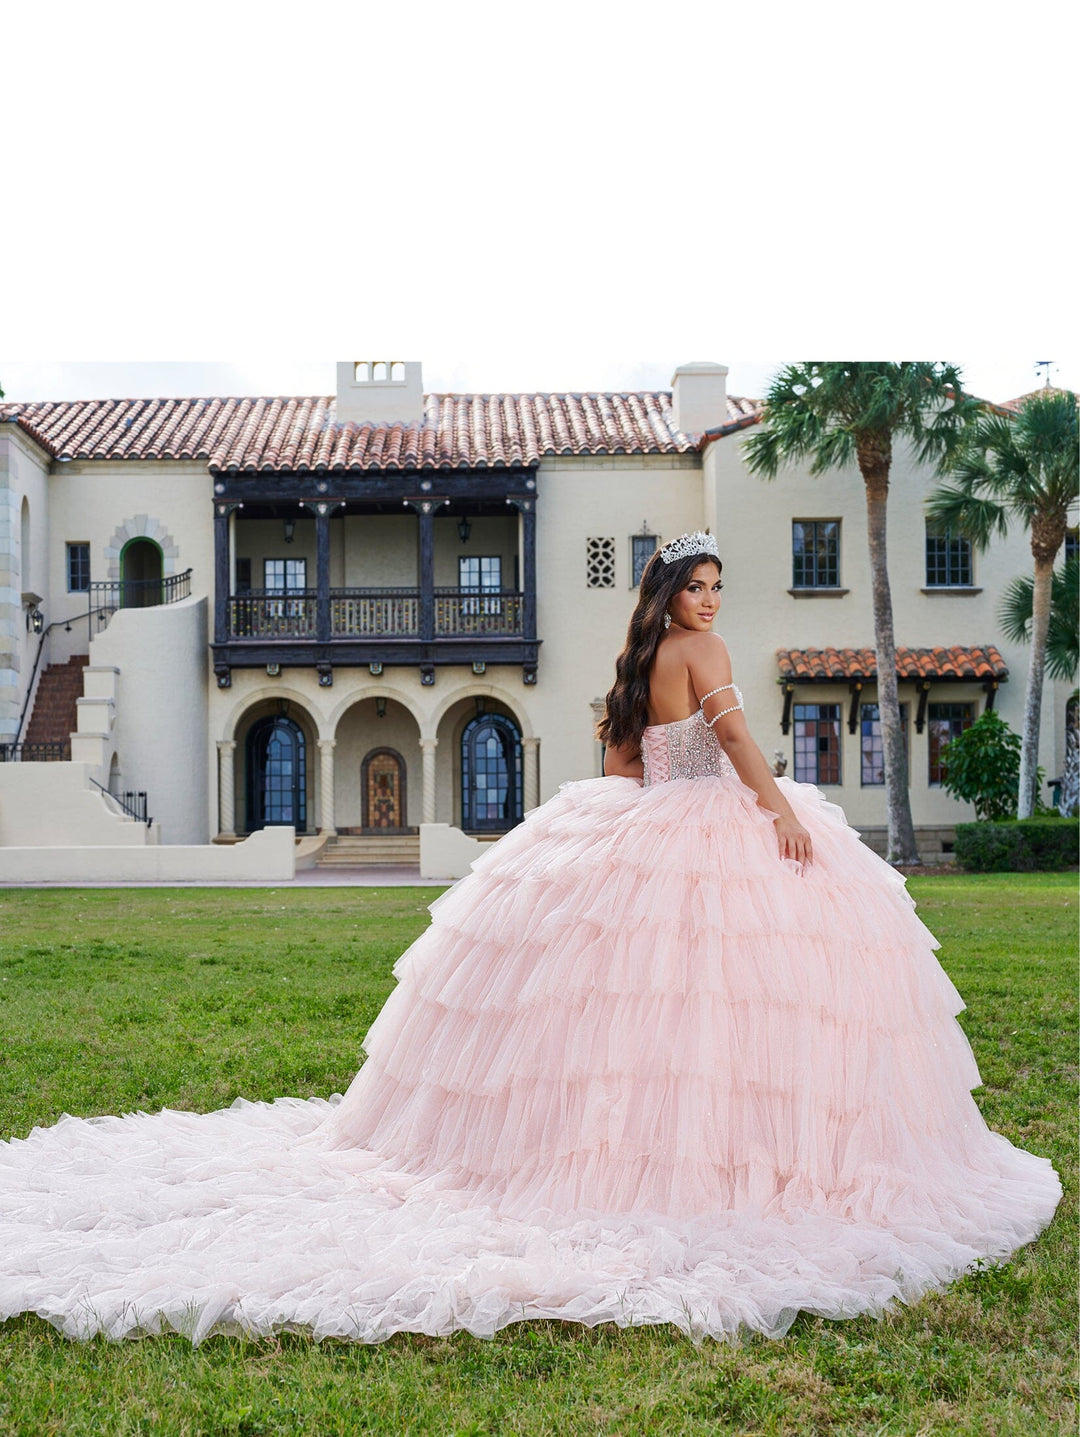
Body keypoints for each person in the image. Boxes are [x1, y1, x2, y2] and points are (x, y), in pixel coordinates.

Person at [0, 533, 1062, 1345]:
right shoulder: (705, 652)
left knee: (645, 992)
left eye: (713, 588)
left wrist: (680, 801)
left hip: (646, 816)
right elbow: (735, 736)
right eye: (696, 586)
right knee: (725, 991)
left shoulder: (638, 657)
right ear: (670, 594)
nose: (708, 601)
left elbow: (627, 769)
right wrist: (778, 809)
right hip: (707, 816)